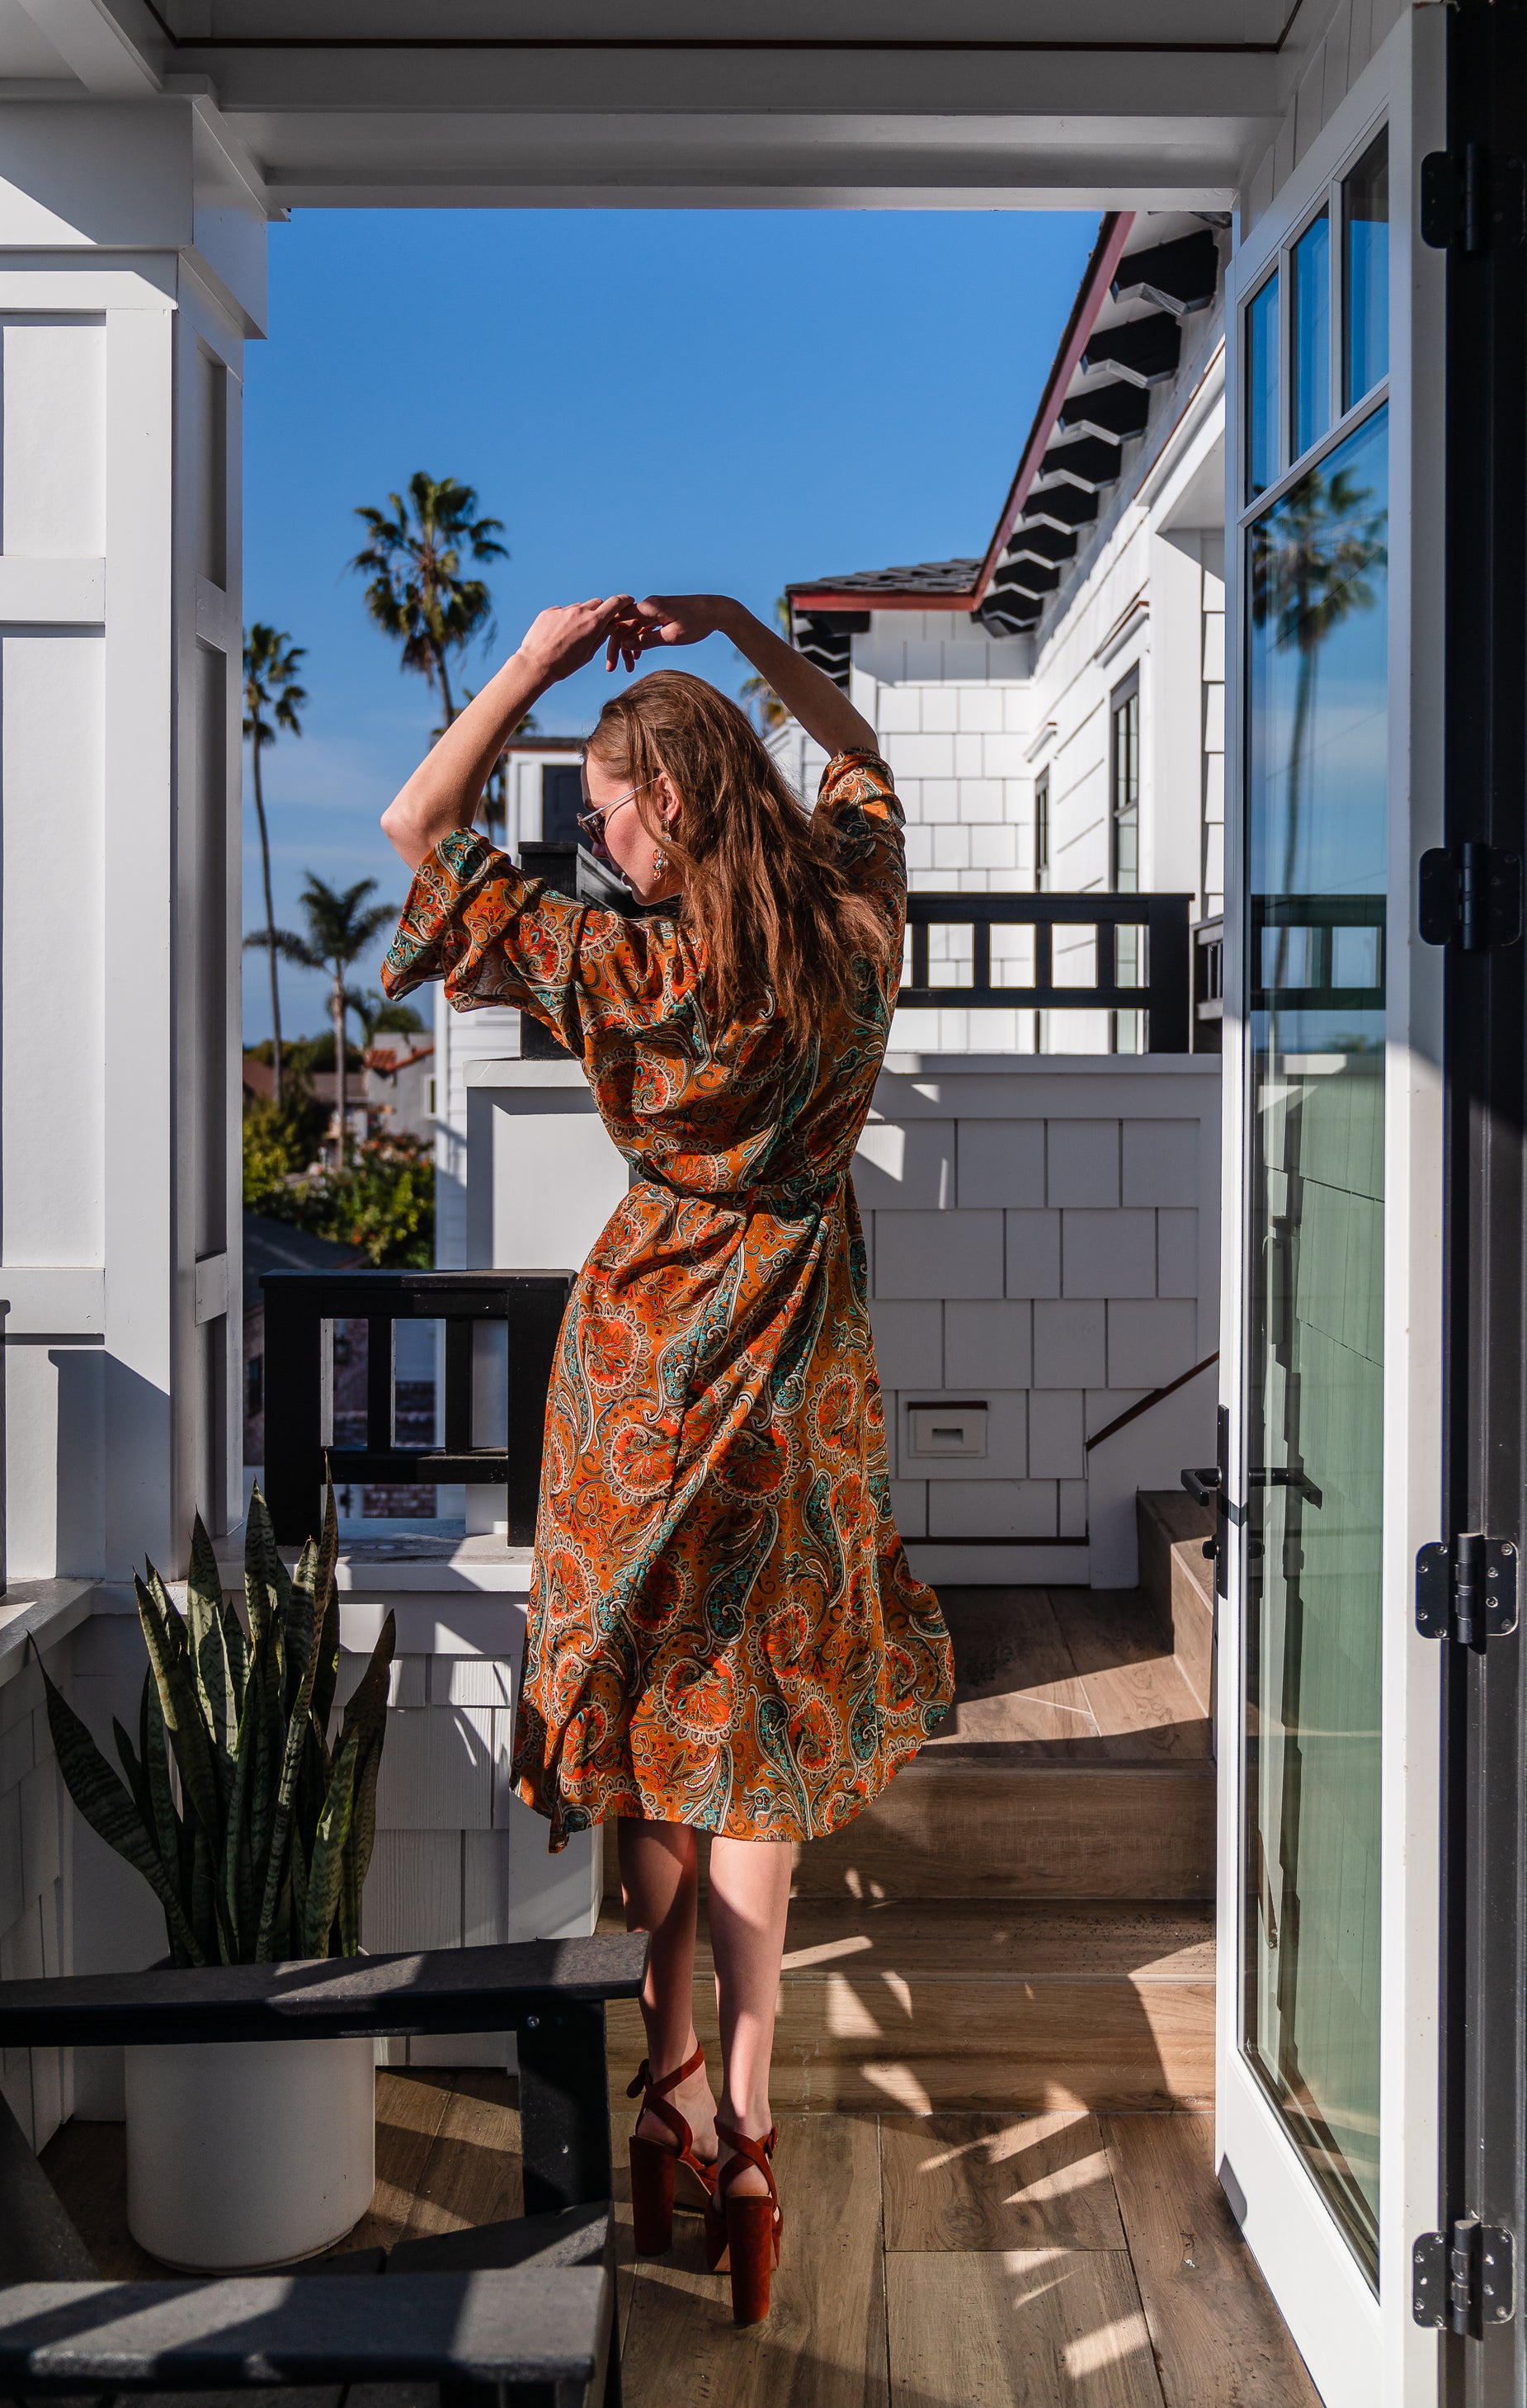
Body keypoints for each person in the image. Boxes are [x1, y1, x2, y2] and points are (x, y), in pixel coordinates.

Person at [379, 593, 954, 2324]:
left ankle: (669, 2081)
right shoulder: (854, 931)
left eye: (612, 804)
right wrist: (717, 626)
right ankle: (758, 2123)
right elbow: (855, 758)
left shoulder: (627, 965)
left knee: (646, 1719)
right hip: (799, 1377)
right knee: (760, 1731)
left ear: (680, 803)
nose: (592, 831)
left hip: (642, 1373)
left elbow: (417, 828)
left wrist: (541, 664)